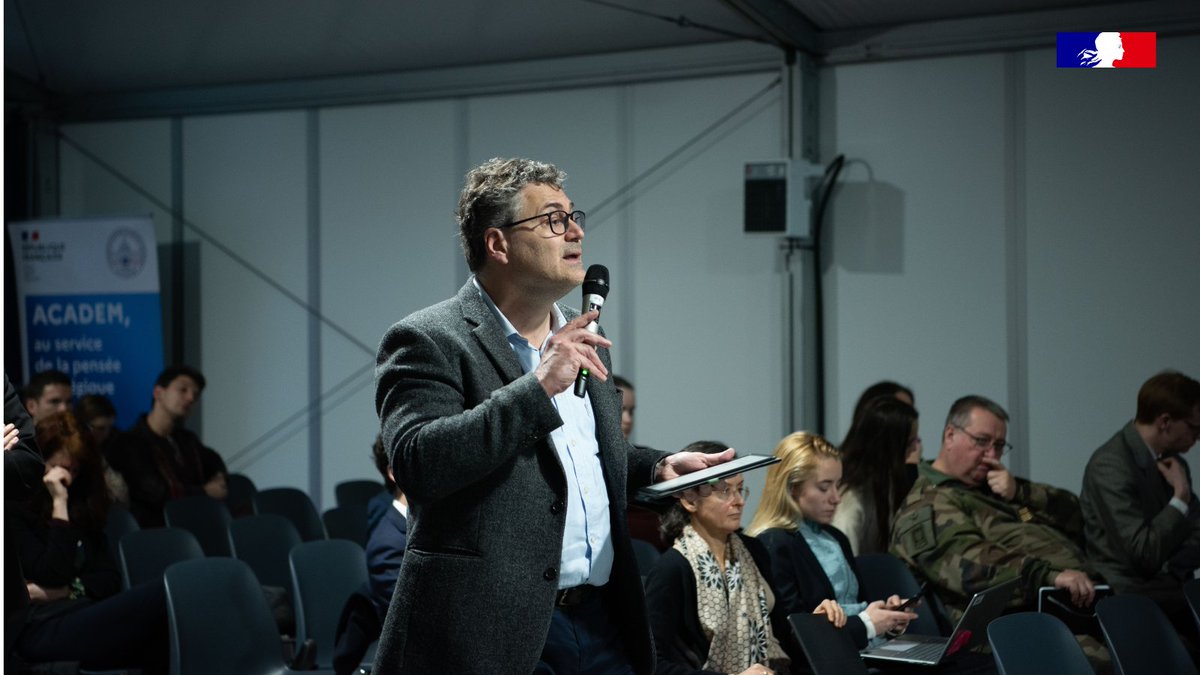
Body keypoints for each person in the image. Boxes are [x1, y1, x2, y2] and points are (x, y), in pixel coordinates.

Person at [373, 157, 732, 674]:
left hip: (603, 619)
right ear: (498, 244)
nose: (576, 231)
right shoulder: (430, 339)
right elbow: (419, 462)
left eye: (574, 216)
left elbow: (579, 460)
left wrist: (655, 468)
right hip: (491, 633)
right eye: (554, 220)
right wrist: (537, 387)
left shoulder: (587, 343)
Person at [890, 395, 1097, 617]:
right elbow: (968, 566)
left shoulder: (994, 486)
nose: (991, 454)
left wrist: (1020, 491)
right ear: (950, 435)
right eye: (981, 441)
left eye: (998, 445)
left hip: (1066, 604)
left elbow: (1078, 515)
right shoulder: (927, 503)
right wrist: (1047, 576)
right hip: (1002, 623)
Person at [8, 411, 168, 673]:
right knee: (161, 594)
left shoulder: (81, 507)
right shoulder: (16, 508)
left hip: (78, 610)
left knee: (158, 636)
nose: (65, 477)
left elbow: (108, 579)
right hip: (35, 628)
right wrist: (59, 504)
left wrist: (65, 591)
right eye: (56, 466)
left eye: (73, 469)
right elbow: (51, 571)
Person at [645, 441, 806, 675]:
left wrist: (815, 621)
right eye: (724, 491)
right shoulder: (672, 568)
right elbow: (653, 664)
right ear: (690, 500)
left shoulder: (754, 550)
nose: (739, 501)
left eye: (740, 489)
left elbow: (781, 632)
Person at [747, 432, 916, 651]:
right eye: (824, 487)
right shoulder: (772, 544)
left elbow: (859, 608)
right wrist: (868, 625)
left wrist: (887, 619)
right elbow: (793, 635)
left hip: (862, 651)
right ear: (792, 488)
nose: (836, 497)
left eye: (838, 485)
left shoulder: (836, 537)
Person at [1080, 370, 1200, 632]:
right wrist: (1180, 497)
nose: (1197, 437)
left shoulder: (1173, 461)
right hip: (1129, 601)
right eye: (1193, 427)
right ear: (1165, 422)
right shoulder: (1110, 465)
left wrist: (1170, 567)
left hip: (1171, 591)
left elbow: (1196, 532)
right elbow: (1143, 553)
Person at [109, 365, 228, 527]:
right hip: (153, 532)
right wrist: (205, 492)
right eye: (183, 390)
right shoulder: (129, 442)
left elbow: (215, 462)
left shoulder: (187, 439)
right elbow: (154, 492)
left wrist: (219, 478)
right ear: (158, 393)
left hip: (193, 526)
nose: (190, 398)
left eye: (195, 394)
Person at [833, 396, 921, 555]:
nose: (916, 448)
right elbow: (844, 567)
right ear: (889, 447)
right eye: (909, 442)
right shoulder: (849, 499)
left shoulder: (888, 483)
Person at [74, 393, 130, 507]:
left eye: (110, 428)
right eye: (100, 428)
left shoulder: (117, 445)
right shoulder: (73, 456)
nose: (106, 434)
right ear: (82, 426)